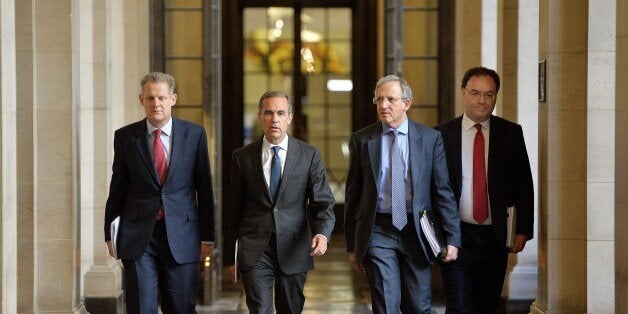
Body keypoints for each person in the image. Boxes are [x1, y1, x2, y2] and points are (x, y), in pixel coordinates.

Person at [344, 75, 461, 314]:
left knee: (418, 305)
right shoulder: (362, 140)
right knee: (386, 303)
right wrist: (352, 246)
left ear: (406, 103)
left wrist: (452, 238)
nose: (383, 105)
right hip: (379, 229)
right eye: (379, 100)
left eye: (390, 99)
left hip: (417, 230)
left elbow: (443, 191)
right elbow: (353, 195)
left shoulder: (430, 139)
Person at [104, 72, 215, 313]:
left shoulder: (194, 135)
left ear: (173, 99)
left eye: (162, 98)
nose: (156, 104)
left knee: (180, 306)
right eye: (151, 98)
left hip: (183, 235)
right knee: (141, 306)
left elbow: (204, 189)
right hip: (138, 236)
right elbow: (118, 187)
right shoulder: (125, 137)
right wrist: (109, 233)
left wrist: (208, 236)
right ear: (141, 99)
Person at [223, 91, 336, 313]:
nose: (274, 119)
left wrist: (322, 234)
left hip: (294, 247)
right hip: (254, 247)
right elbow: (233, 210)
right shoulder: (242, 157)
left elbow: (322, 201)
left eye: (280, 113)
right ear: (260, 116)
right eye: (269, 112)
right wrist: (230, 256)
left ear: (289, 117)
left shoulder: (308, 155)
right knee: (260, 308)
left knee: (290, 308)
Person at [435, 66, 534, 313]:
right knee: (458, 304)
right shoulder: (441, 134)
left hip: (496, 236)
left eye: (489, 94)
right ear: (464, 93)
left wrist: (523, 229)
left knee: (486, 304)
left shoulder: (511, 133)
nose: (482, 100)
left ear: (496, 96)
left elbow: (524, 184)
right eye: (476, 93)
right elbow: (431, 187)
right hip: (455, 234)